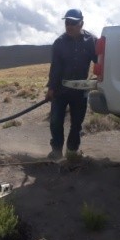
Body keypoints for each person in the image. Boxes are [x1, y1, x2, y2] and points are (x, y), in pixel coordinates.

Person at [45, 9, 97, 159]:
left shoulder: (91, 41)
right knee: (55, 121)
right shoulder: (59, 43)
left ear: (81, 23)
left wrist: (99, 76)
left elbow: (99, 61)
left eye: (73, 23)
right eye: (67, 22)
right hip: (61, 89)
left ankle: (72, 152)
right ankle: (56, 150)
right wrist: (51, 88)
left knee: (77, 124)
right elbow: (55, 68)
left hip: (80, 90)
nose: (69, 26)